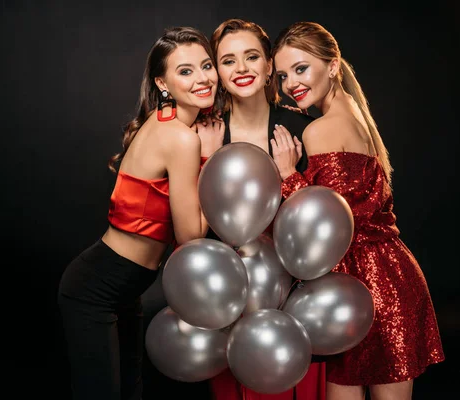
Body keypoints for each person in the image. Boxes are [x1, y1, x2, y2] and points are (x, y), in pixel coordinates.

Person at [270, 21, 445, 400]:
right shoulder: (356, 115)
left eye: (301, 69)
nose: (290, 83)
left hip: (364, 284)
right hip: (387, 276)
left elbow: (326, 226)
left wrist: (288, 176)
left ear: (332, 66)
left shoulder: (320, 130)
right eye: (283, 75)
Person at [57, 26, 219, 400]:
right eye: (185, 71)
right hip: (95, 288)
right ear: (163, 83)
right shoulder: (181, 137)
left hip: (125, 290)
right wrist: (210, 161)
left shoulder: (171, 124)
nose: (202, 78)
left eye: (206, 65)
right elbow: (191, 237)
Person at [195, 18, 325, 400]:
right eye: (228, 60)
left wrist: (290, 177)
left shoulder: (302, 129)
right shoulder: (206, 134)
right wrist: (206, 159)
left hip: (295, 301)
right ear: (217, 71)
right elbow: (195, 233)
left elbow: (321, 226)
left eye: (251, 57)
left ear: (270, 65)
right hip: (230, 303)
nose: (241, 69)